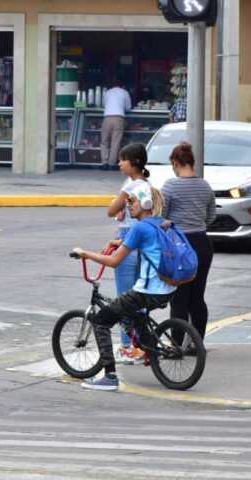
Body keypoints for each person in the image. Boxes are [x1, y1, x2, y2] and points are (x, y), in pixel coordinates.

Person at [73, 183, 176, 391]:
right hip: (167, 289)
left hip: (147, 291)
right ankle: (149, 347)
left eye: (132, 201)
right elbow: (146, 243)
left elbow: (114, 262)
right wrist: (119, 243)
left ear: (145, 203)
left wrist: (85, 253)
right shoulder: (159, 223)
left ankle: (110, 377)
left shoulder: (139, 227)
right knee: (131, 312)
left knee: (101, 321)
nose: (128, 205)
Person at [161, 142, 216, 347]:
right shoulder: (205, 185)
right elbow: (211, 216)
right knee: (197, 297)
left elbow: (160, 215)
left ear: (175, 163)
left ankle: (176, 344)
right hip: (202, 243)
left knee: (179, 298)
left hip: (179, 246)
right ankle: (196, 343)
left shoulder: (170, 186)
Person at [106, 143, 150, 365]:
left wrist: (118, 208)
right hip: (143, 244)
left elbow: (111, 210)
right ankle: (142, 345)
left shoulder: (130, 185)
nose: (119, 163)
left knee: (124, 298)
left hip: (126, 241)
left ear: (135, 162)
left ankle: (127, 347)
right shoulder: (148, 186)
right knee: (139, 297)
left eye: (123, 159)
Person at [100, 81, 132, 170]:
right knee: (115, 142)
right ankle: (111, 163)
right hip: (118, 118)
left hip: (107, 118)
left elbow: (103, 105)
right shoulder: (125, 92)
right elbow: (128, 107)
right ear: (123, 86)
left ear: (113, 85)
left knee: (104, 141)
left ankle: (104, 163)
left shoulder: (107, 92)